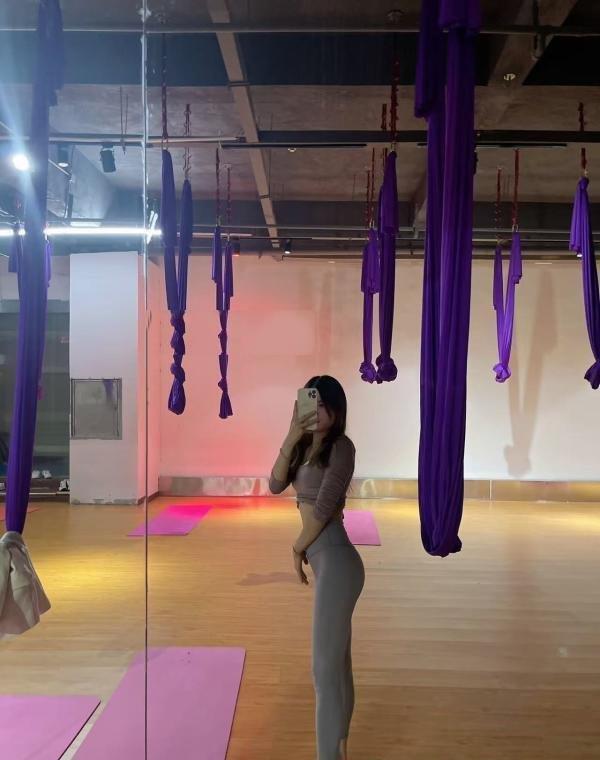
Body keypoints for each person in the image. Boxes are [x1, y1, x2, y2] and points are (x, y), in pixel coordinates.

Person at [269, 375, 365, 760]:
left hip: (339, 563)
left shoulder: (342, 447)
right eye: (312, 403)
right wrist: (293, 433)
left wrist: (297, 548)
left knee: (323, 672)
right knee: (337, 666)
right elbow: (274, 484)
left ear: (337, 410)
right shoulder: (304, 446)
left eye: (323, 405)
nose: (317, 411)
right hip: (327, 563)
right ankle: (339, 747)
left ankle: (330, 755)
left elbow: (324, 508)